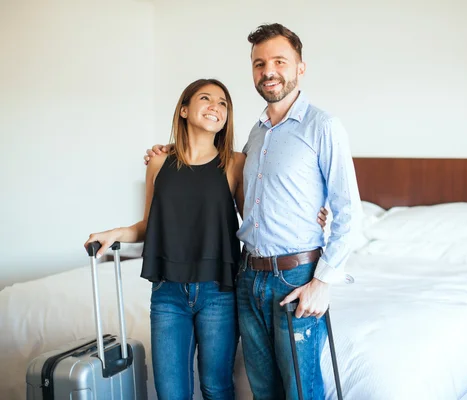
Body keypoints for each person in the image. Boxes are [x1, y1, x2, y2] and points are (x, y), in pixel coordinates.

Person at [144, 23, 360, 400]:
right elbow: (217, 195)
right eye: (260, 64)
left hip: (297, 278)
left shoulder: (323, 127)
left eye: (280, 61)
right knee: (264, 391)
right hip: (247, 279)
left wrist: (322, 282)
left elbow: (349, 212)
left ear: (300, 68)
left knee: (301, 391)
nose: (269, 71)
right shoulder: (254, 136)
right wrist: (167, 154)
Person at [86, 78, 245, 400]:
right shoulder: (158, 163)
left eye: (223, 103)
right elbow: (148, 224)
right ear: (184, 110)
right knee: (171, 393)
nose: (216, 106)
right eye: (206, 98)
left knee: (217, 387)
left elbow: (254, 223)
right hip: (167, 292)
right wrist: (117, 233)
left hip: (219, 291)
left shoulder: (236, 163)